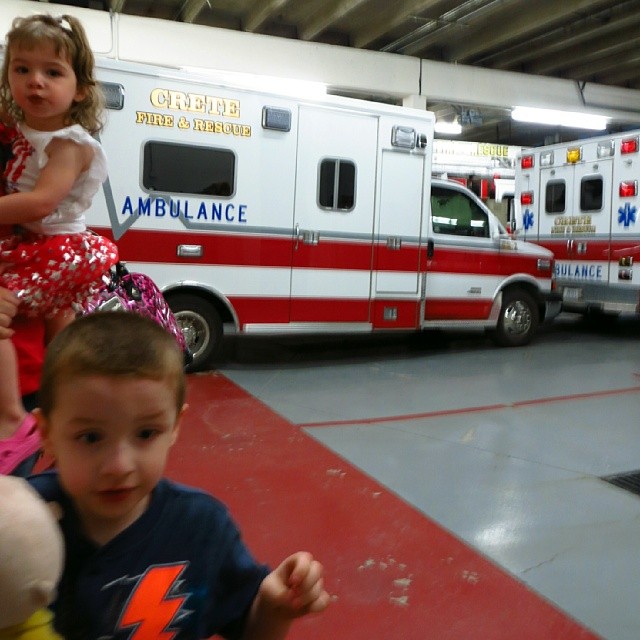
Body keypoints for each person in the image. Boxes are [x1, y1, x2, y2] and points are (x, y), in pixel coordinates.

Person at [29, 312, 330, 638]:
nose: (119, 465)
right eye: (90, 437)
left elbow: (250, 630)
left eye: (145, 433)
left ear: (174, 427)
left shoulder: (202, 529)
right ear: (46, 432)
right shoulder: (17, 521)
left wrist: (274, 607)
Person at [0, 14, 118, 474]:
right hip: (49, 246)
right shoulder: (20, 127)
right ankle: (73, 404)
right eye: (21, 69)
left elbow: (41, 202)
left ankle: (11, 416)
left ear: (81, 89)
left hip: (53, 244)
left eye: (53, 72)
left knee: (3, 312)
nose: (35, 82)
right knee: (59, 328)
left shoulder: (68, 141)